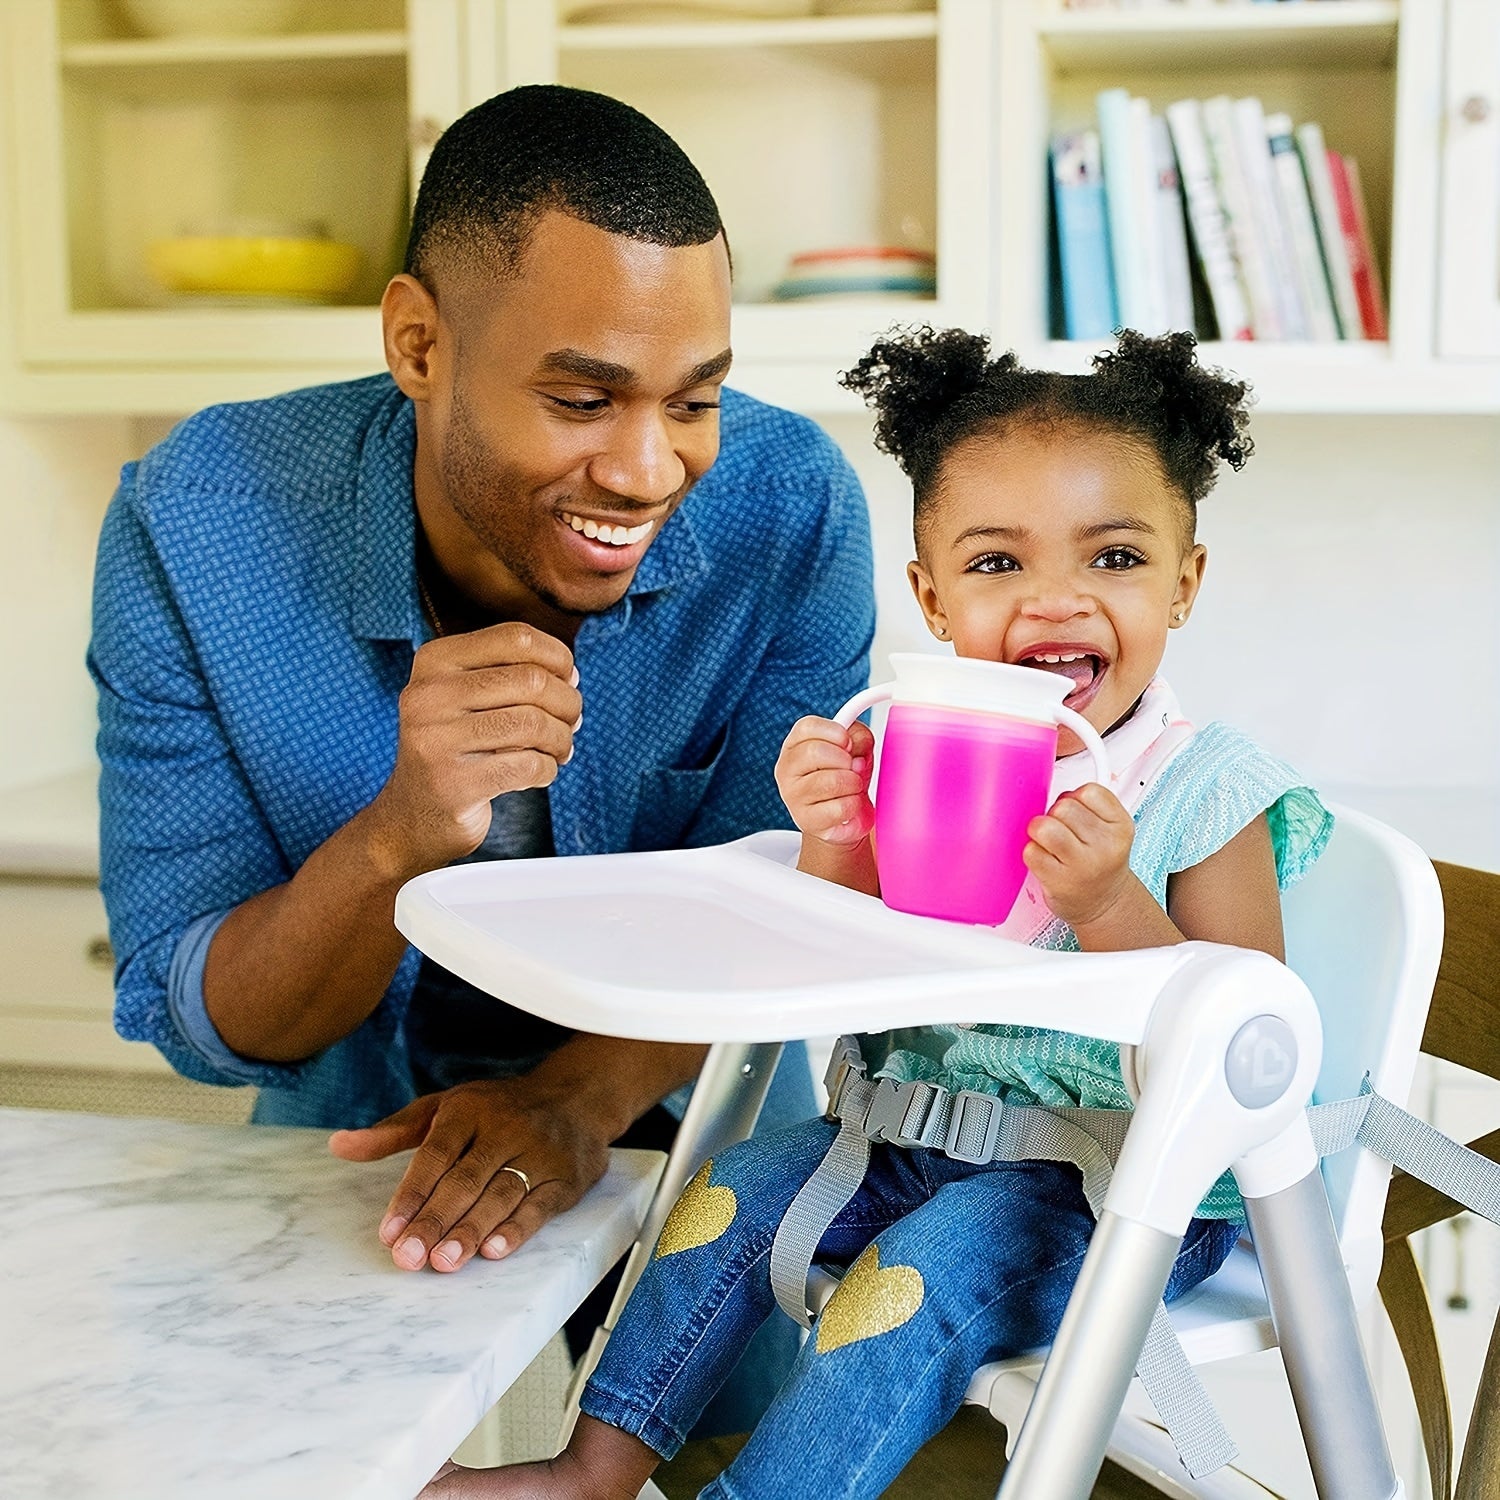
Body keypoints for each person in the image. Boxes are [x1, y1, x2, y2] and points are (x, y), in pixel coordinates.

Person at [437, 327, 1334, 1499]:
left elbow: (1239, 1036)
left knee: (909, 1277)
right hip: (902, 1138)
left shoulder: (1201, 786)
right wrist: (836, 839)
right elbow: (838, 945)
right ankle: (592, 1470)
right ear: (931, 597)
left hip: (1114, 1189)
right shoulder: (925, 757)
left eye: (1115, 557)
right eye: (997, 563)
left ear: (1185, 582)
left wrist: (1110, 902)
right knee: (724, 1196)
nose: (1056, 598)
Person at [87, 84, 873, 1417]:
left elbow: (784, 905)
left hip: (693, 1099)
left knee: (732, 1457)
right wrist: (400, 832)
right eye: (581, 397)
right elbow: (209, 1021)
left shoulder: (791, 514)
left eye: (693, 401)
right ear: (417, 342)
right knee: (326, 1455)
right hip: (356, 1129)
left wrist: (569, 1104)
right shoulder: (195, 525)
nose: (646, 470)